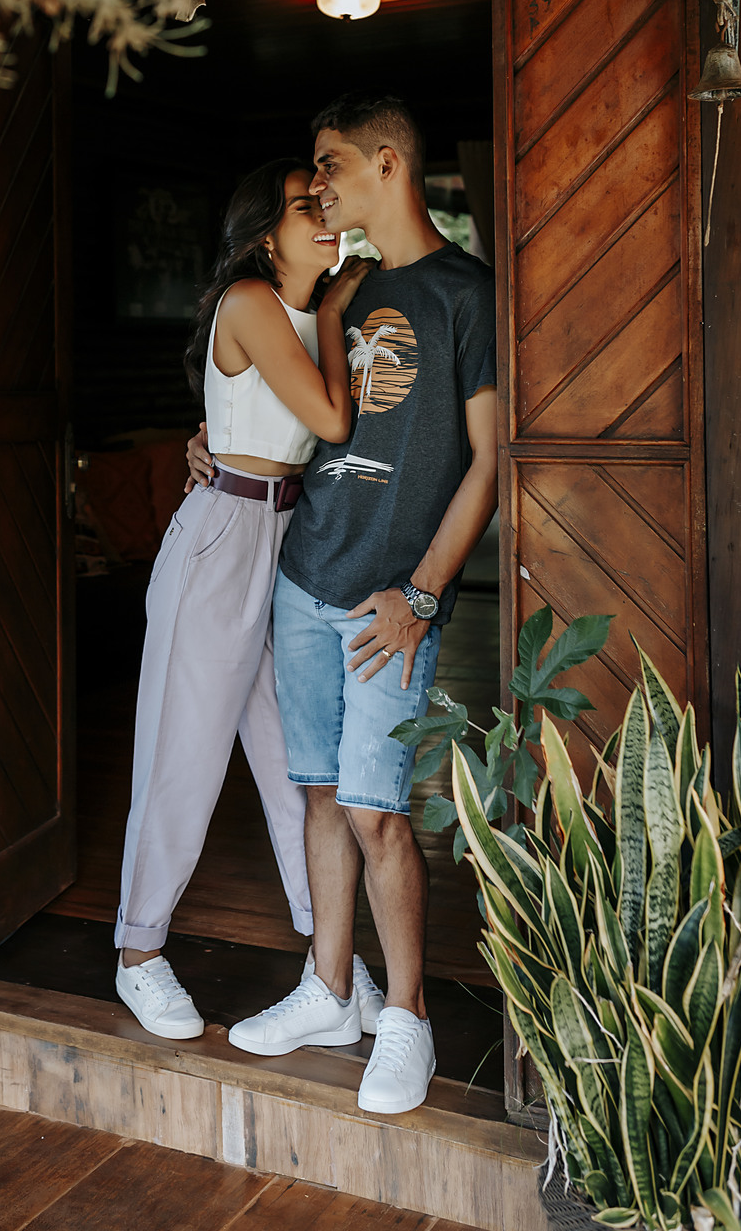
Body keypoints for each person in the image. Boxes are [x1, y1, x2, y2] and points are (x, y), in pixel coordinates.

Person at [187, 96, 498, 1116]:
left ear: (387, 164)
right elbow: (278, 408)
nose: (319, 186)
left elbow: (489, 461)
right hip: (304, 575)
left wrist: (423, 593)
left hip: (388, 600)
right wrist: (208, 445)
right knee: (319, 793)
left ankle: (406, 1015)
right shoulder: (339, 290)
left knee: (376, 811)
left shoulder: (467, 294)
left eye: (330, 165)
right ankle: (328, 992)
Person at [115, 159, 377, 1041]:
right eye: (306, 208)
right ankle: (139, 953)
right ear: (267, 233)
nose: (325, 216)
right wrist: (334, 315)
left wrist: (334, 312)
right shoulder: (254, 302)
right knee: (180, 757)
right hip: (223, 538)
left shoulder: (315, 308)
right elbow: (331, 422)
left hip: (288, 538)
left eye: (325, 203)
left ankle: (328, 960)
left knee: (296, 763)